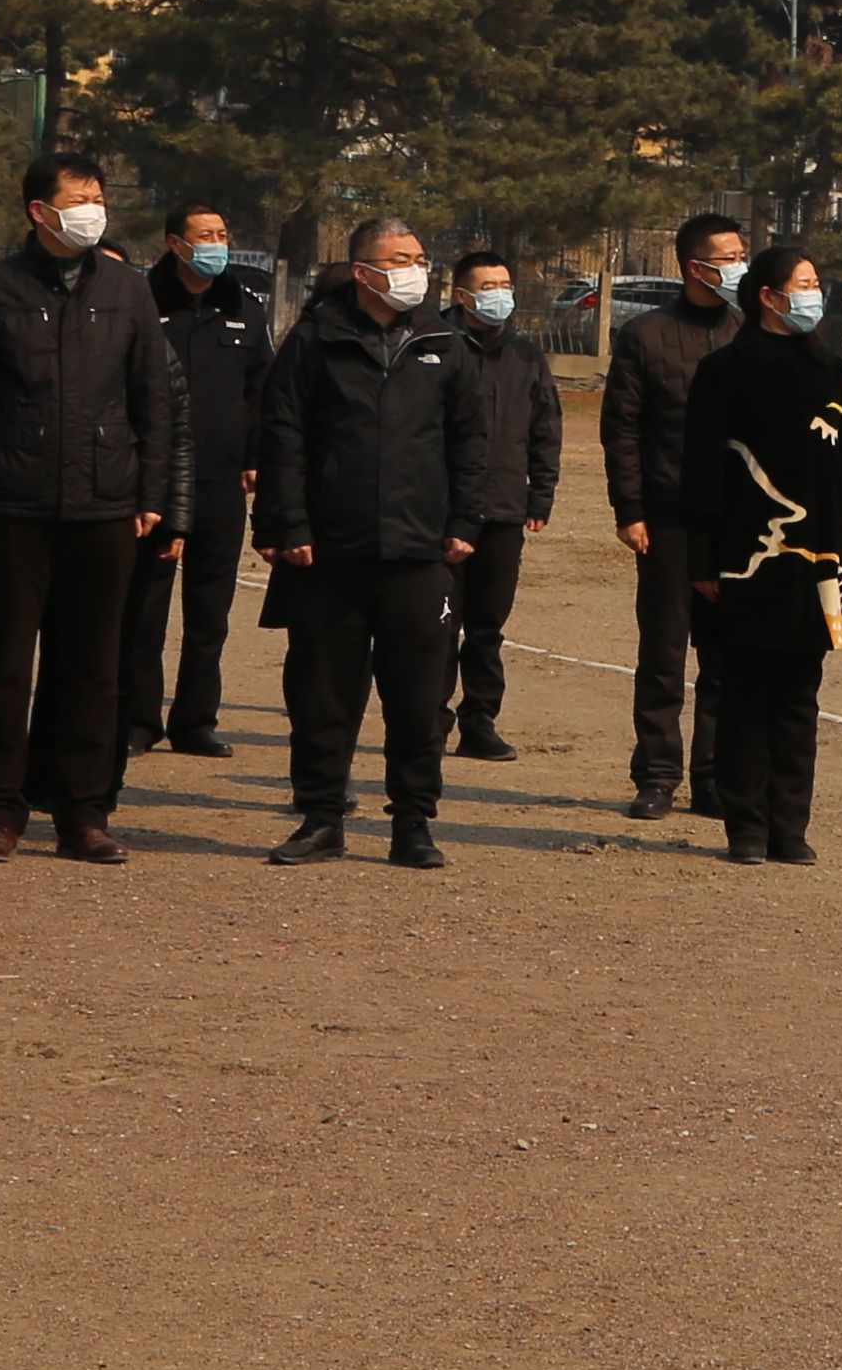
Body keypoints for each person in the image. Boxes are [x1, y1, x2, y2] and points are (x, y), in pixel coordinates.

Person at [0, 154, 185, 866]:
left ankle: (84, 812)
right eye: (78, 199)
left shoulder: (128, 289)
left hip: (107, 503)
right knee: (6, 665)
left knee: (93, 667)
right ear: (39, 211)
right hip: (15, 502)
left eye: (98, 198)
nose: (92, 210)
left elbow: (153, 400)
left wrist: (153, 496)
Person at [256, 217, 491, 870]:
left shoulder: (445, 343)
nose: (416, 270)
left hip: (421, 551)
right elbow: (282, 436)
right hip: (330, 551)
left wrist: (465, 522)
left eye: (420, 258)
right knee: (322, 694)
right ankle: (321, 818)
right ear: (363, 272)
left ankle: (413, 823)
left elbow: (471, 441)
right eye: (400, 259)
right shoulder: (314, 340)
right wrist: (286, 525)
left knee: (418, 698)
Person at [675, 245, 842, 866]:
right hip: (748, 557)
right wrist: (704, 561)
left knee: (799, 694)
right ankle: (746, 826)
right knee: (743, 693)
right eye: (804, 284)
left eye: (817, 283)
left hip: (822, 556)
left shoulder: (829, 368)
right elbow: (701, 471)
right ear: (768, 295)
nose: (815, 294)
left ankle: (790, 826)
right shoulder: (725, 370)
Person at [602, 213, 756, 818]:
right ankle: (657, 775)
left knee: (726, 656)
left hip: (737, 524)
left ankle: (714, 778)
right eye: (729, 257)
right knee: (664, 655)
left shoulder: (751, 331)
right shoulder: (646, 335)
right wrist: (630, 509)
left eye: (743, 253)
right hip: (668, 519)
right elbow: (622, 429)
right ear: (696, 267)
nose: (740, 265)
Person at [120, 204, 271, 759]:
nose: (216, 243)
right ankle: (139, 719)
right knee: (145, 606)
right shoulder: (142, 302)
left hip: (221, 480)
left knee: (210, 612)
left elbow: (261, 390)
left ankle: (195, 720)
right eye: (204, 235)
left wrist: (254, 455)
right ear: (174, 243)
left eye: (222, 234)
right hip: (153, 480)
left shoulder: (244, 308)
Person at [440, 243, 562, 764]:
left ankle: (480, 722)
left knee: (486, 625)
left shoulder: (526, 354)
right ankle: (429, 720)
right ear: (461, 295)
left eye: (505, 286)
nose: (499, 296)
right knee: (438, 623)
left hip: (505, 508)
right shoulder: (435, 346)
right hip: (442, 511)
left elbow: (545, 428)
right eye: (487, 287)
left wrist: (541, 494)